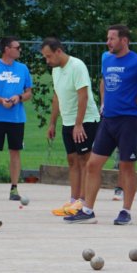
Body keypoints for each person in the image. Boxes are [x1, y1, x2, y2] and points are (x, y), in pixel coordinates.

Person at [63, 24, 137, 225]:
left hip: (129, 120)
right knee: (93, 164)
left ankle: (126, 211)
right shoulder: (106, 58)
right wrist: (103, 102)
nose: (108, 42)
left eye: (112, 38)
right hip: (108, 120)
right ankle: (87, 210)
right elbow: (104, 81)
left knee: (126, 166)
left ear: (124, 40)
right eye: (107, 38)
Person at [41, 37, 100, 216]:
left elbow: (83, 96)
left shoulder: (77, 66)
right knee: (72, 160)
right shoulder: (56, 70)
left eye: (49, 56)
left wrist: (79, 124)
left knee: (84, 160)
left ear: (59, 51)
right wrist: (52, 122)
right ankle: (73, 200)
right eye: (45, 57)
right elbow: (57, 97)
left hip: (85, 121)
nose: (47, 60)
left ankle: (83, 200)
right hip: (67, 122)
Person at [0, 36, 34, 202]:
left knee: (15, 151)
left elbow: (29, 92)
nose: (20, 50)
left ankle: (14, 188)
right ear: (6, 49)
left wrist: (19, 97)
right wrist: (1, 100)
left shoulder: (22, 68)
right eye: (17, 47)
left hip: (16, 118)